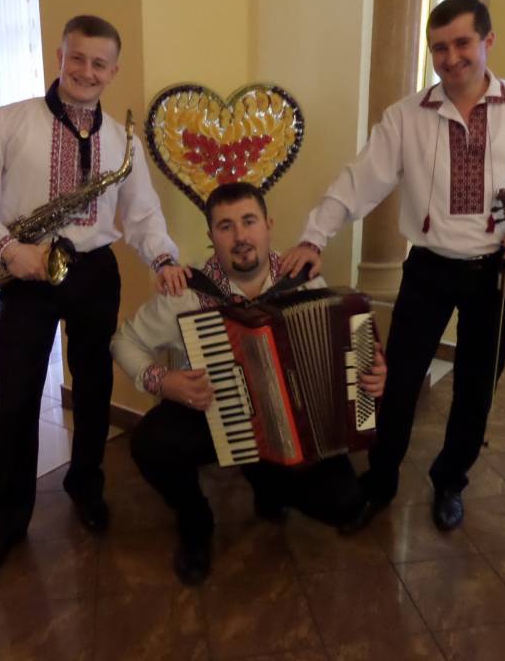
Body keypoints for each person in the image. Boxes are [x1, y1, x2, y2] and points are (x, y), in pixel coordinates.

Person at [281, 0, 505, 532]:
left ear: (488, 41)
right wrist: (313, 237)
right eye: (439, 48)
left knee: (475, 386)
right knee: (398, 378)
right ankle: (381, 478)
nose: (451, 57)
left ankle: (450, 481)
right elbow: (357, 182)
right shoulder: (405, 117)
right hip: (429, 269)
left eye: (462, 43)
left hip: (497, 274)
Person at [0, 14, 188, 579]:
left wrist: (163, 258)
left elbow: (143, 214)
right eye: (76, 58)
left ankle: (87, 488)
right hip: (26, 269)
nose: (86, 71)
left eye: (99, 63)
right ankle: (6, 524)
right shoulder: (8, 122)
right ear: (59, 57)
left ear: (114, 71)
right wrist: (9, 250)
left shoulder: (123, 142)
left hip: (94, 271)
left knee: (95, 388)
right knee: (15, 401)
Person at [112, 182, 387, 585]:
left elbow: (346, 352)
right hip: (213, 414)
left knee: (344, 503)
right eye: (226, 226)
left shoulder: (302, 280)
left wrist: (372, 374)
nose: (240, 236)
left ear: (268, 225)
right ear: (212, 236)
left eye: (248, 221)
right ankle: (195, 520)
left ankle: (269, 485)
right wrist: (165, 381)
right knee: (151, 443)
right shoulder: (187, 293)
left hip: (289, 424)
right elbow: (124, 341)